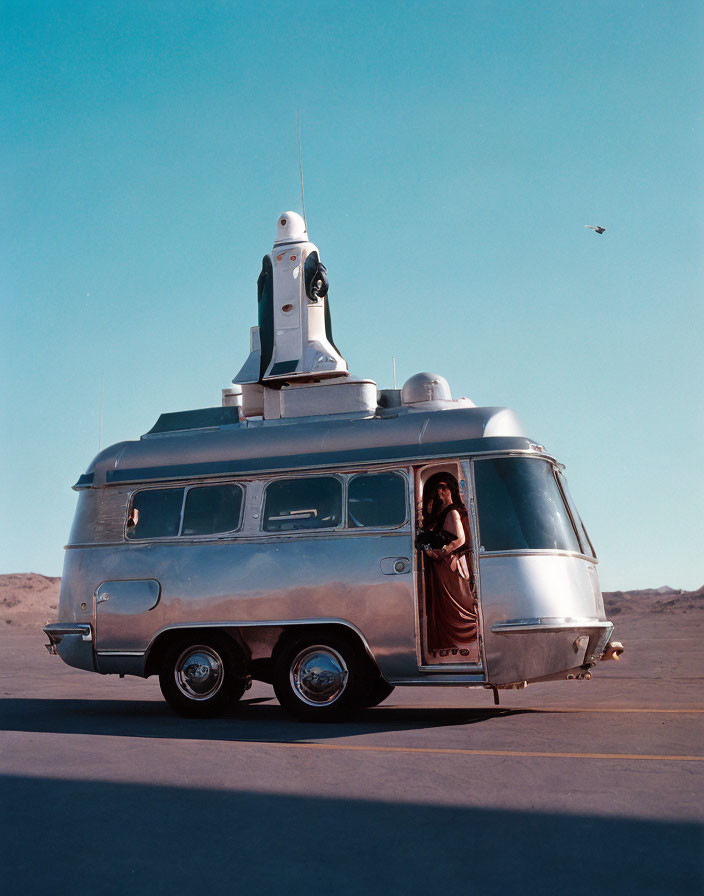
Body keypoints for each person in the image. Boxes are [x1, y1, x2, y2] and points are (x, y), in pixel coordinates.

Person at [420, 475, 477, 658]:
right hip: (439, 566)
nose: (440, 492)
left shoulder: (453, 512)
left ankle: (467, 644)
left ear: (452, 489)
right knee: (442, 607)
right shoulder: (438, 513)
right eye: (437, 488)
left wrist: (441, 552)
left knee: (458, 607)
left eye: (444, 487)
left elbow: (460, 539)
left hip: (450, 565)